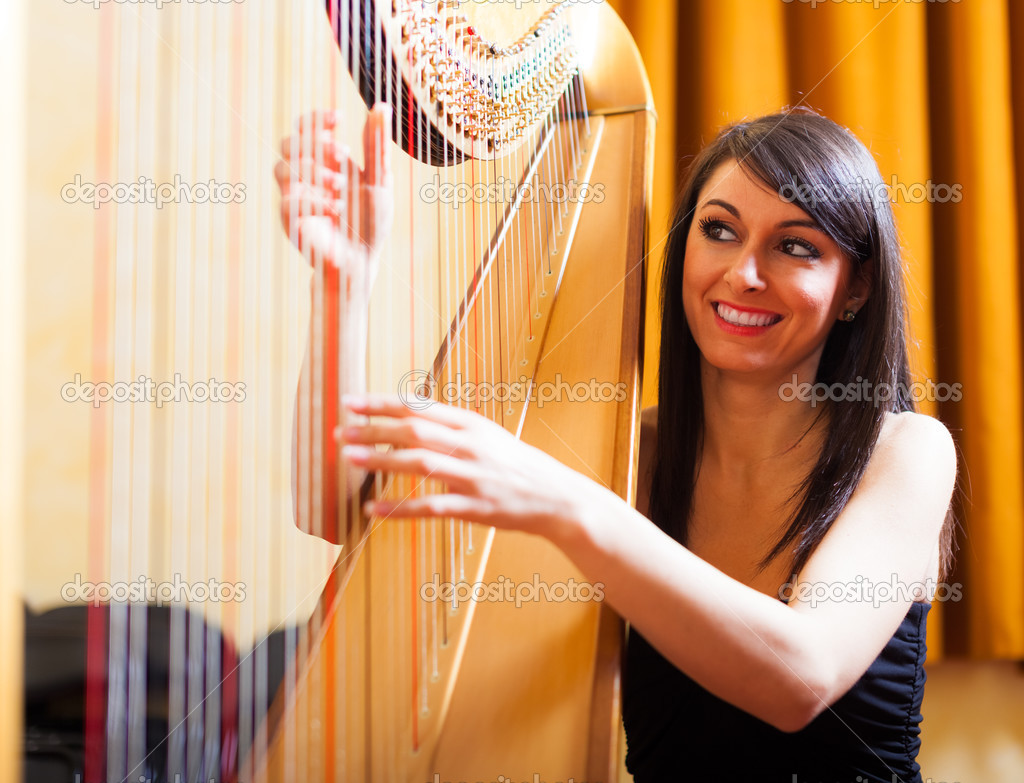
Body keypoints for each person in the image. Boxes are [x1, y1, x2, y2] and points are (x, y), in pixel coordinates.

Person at [276, 105, 958, 783]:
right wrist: (344, 285)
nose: (745, 273)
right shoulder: (635, 452)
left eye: (796, 245)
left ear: (856, 287)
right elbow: (330, 507)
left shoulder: (907, 452)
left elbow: (799, 677)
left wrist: (567, 504)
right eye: (719, 230)